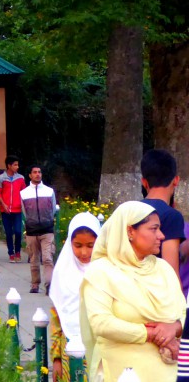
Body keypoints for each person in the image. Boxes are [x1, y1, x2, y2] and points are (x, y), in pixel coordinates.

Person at [81, 201, 184, 381]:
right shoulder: (101, 271)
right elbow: (101, 323)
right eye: (154, 229)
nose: (161, 235)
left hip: (168, 370)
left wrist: (174, 328)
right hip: (121, 371)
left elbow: (183, 312)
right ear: (130, 231)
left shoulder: (163, 269)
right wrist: (151, 334)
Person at [50, 212, 101, 382]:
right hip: (68, 349)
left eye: (90, 245)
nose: (84, 252)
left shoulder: (106, 273)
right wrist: (56, 358)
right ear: (69, 244)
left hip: (100, 349)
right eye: (78, 245)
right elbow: (56, 319)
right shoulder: (62, 274)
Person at [140, 149, 183, 277]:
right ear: (176, 180)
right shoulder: (171, 216)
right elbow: (170, 273)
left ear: (144, 182)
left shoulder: (128, 210)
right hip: (155, 293)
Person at [21, 165, 57, 294]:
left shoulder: (49, 191)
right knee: (34, 259)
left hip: (47, 230)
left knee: (47, 258)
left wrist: (47, 220)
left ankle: (49, 285)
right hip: (31, 230)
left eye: (39, 172)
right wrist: (31, 221)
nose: (37, 174)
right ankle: (35, 284)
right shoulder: (24, 193)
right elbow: (24, 212)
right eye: (35, 172)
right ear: (30, 175)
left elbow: (53, 209)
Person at [0, 155, 26, 262]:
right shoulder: (1, 178)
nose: (17, 167)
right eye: (15, 165)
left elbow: (24, 193)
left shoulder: (21, 178)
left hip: (17, 210)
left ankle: (18, 251)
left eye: (17, 164)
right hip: (5, 211)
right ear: (9, 166)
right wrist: (3, 205)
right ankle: (11, 253)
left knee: (18, 231)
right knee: (9, 232)